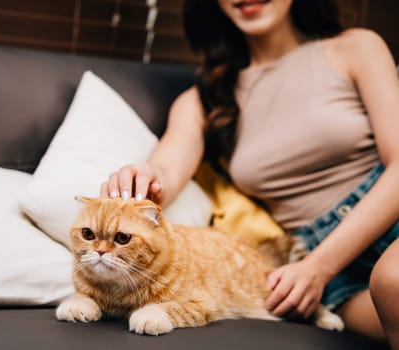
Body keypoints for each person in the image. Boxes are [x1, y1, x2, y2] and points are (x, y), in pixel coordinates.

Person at [99, 0, 399, 347]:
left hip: (364, 237)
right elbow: (166, 169)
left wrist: (319, 267)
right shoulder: (202, 102)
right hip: (328, 279)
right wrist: (145, 175)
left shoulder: (356, 47)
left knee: (393, 280)